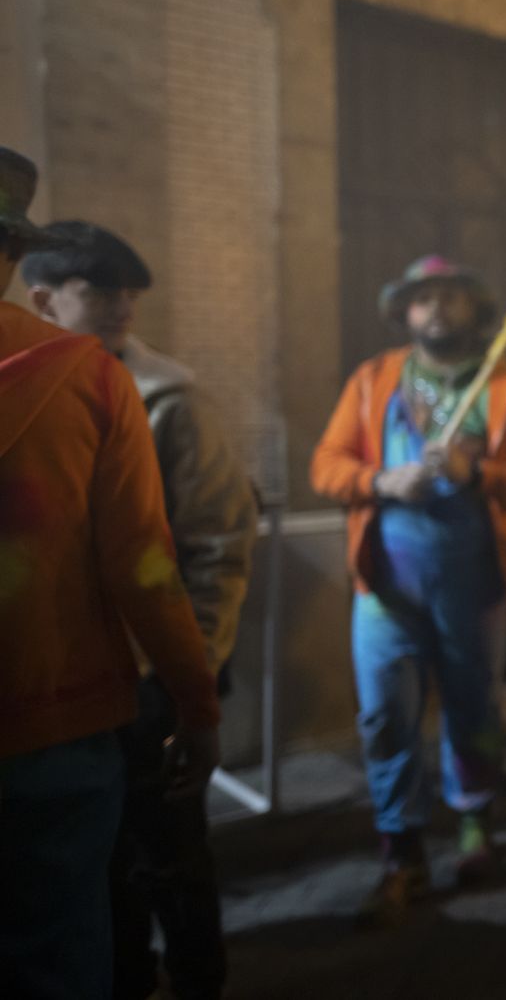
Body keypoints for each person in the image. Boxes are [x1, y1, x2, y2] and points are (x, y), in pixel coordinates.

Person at [0, 147, 221, 999]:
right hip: (52, 728)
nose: (124, 308)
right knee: (57, 950)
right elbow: (145, 566)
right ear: (21, 267)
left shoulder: (156, 393)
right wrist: (197, 703)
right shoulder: (90, 383)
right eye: (105, 292)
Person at [310, 255, 506, 920]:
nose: (438, 309)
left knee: (472, 707)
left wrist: (478, 471)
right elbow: (325, 465)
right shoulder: (373, 381)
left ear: (475, 310)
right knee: (385, 714)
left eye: (451, 297)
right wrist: (379, 482)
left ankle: (476, 822)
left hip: (475, 587)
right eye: (425, 299)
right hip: (385, 590)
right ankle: (401, 845)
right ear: (406, 312)